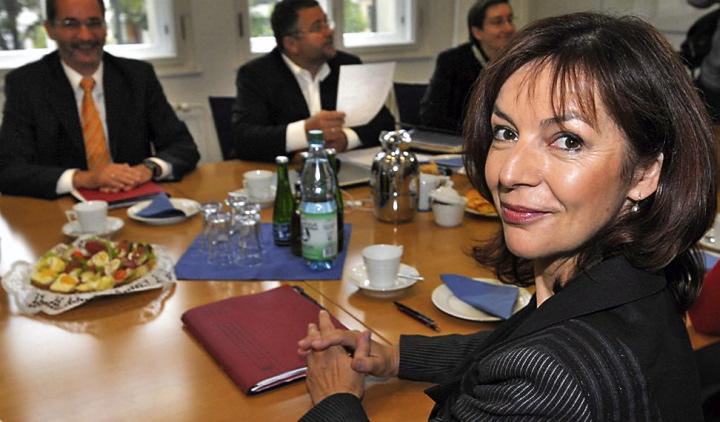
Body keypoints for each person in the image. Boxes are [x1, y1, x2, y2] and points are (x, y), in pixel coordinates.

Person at [298, 12, 715, 421]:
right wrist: (396, 357)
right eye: (506, 132)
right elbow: (514, 340)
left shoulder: (546, 384)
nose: (509, 173)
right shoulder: (624, 283)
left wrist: (335, 399)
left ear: (644, 174)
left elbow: (529, 365)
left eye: (568, 141)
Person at [0, 0, 200, 200]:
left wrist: (147, 169)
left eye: (94, 23)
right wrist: (84, 179)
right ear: (50, 29)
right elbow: (9, 170)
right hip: (61, 208)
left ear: (105, 27)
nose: (85, 36)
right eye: (71, 24)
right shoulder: (26, 84)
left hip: (135, 202)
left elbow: (183, 147)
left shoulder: (138, 76)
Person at [231, 0, 394, 162]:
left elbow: (385, 123)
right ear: (291, 44)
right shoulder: (257, 75)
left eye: (326, 23)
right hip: (284, 173)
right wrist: (305, 132)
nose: (329, 31)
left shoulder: (347, 65)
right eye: (317, 28)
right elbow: (244, 139)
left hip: (343, 169)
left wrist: (346, 139)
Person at [418, 0, 515, 133]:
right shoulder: (452, 61)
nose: (509, 28)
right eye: (498, 22)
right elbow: (432, 117)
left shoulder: (519, 60)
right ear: (477, 32)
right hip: (461, 138)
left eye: (510, 20)